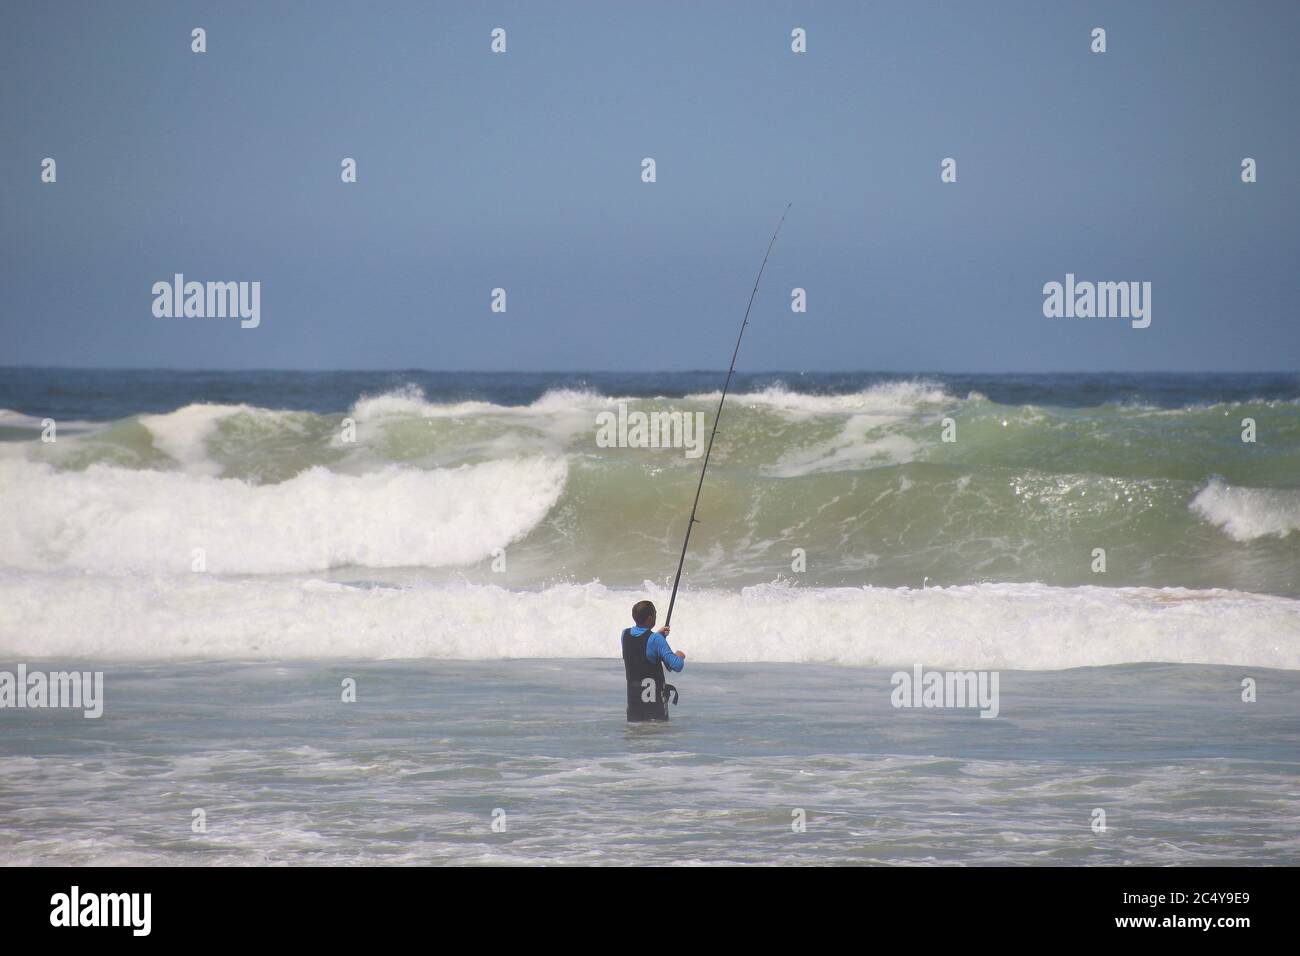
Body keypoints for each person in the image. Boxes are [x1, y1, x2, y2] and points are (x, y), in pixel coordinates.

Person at [620, 600, 685, 722]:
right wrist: (680, 655)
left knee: (637, 738)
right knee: (656, 738)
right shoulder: (655, 640)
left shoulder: (625, 634)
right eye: (655, 614)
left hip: (634, 707)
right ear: (650, 618)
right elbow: (676, 665)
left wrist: (657, 636)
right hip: (655, 709)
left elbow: (640, 647)